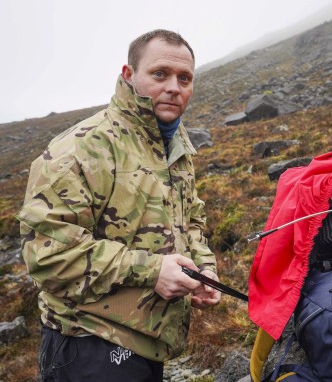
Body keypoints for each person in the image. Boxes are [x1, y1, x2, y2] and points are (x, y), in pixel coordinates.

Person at [17, 29, 221, 382]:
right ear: (129, 75)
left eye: (184, 78)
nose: (174, 86)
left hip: (151, 340)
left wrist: (202, 270)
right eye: (160, 74)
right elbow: (49, 258)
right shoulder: (80, 149)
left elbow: (192, 222)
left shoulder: (175, 146)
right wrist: (153, 270)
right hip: (87, 343)